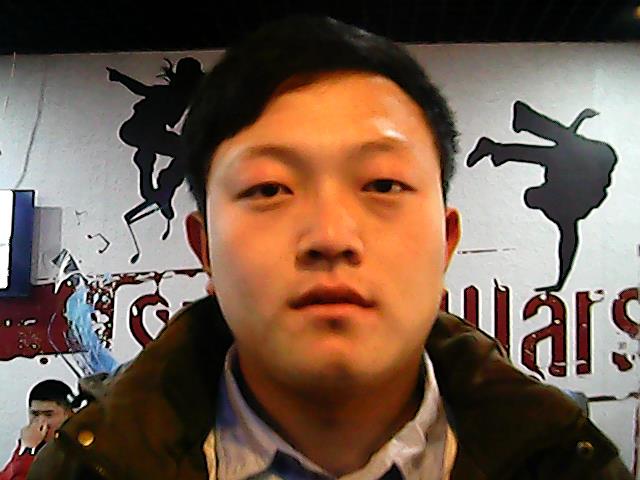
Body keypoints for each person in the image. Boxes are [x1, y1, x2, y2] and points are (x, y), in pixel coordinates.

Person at [29, 16, 632, 480]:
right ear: (204, 248)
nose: (331, 238)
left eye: (383, 184)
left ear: (446, 241)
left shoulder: (561, 462)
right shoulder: (89, 468)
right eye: (269, 188)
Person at [0, 380, 73, 480]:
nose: (40, 422)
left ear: (68, 415)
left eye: (48, 415)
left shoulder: (73, 455)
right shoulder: (30, 442)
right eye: (35, 414)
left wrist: (29, 450)